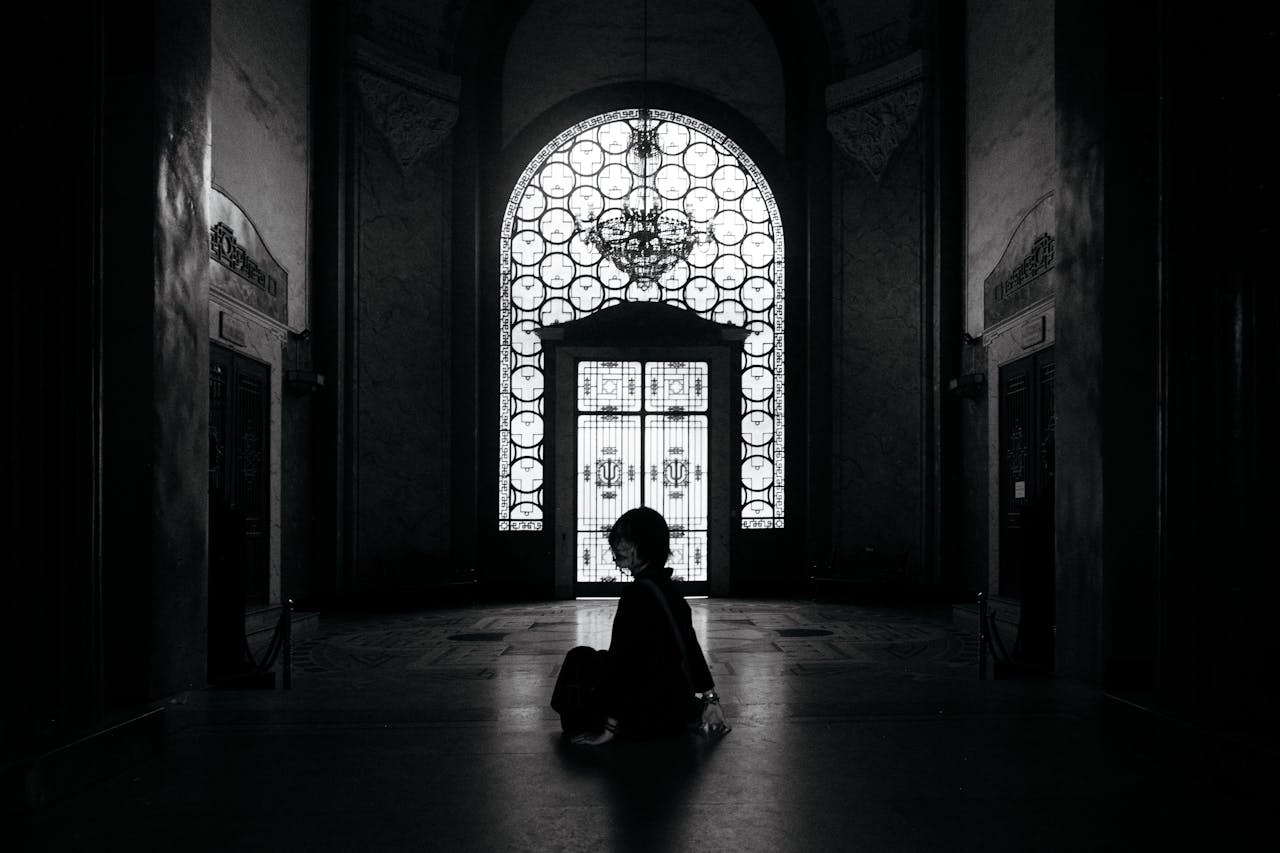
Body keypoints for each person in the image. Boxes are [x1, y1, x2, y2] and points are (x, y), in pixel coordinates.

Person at [550, 506, 731, 745]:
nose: (618, 546)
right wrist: (711, 699)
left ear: (647, 544)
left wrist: (610, 729)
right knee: (591, 658)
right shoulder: (669, 589)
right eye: (618, 539)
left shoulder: (636, 595)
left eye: (627, 540)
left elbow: (622, 665)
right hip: (673, 709)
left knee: (579, 658)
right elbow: (690, 647)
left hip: (646, 715)